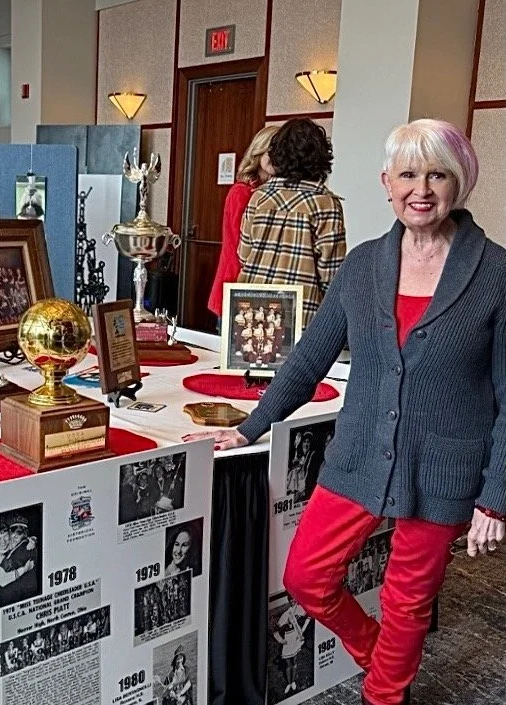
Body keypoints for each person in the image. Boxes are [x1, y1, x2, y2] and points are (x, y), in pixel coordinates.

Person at [185, 119, 506, 705]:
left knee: (408, 599)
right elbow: (309, 358)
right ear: (387, 183)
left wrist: (495, 496)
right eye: (408, 175)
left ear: (460, 183)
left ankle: (383, 695)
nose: (421, 190)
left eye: (437, 175)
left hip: (444, 464)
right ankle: (379, 656)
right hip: (358, 455)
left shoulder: (496, 274)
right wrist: (251, 427)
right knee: (306, 577)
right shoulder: (362, 266)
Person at [238, 118, 346, 326]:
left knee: (252, 346)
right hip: (302, 312)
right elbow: (331, 274)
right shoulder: (326, 204)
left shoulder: (258, 198)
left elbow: (244, 254)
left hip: (252, 308)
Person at [208, 125, 278, 317]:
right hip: (236, 280)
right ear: (258, 151)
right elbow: (241, 246)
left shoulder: (268, 193)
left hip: (254, 286)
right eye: (270, 150)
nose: (276, 157)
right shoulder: (242, 192)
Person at [274, 597, 312, 696]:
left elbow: (309, 616)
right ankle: (289, 683)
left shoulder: (300, 609)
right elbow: (275, 630)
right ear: (288, 600)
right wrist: (281, 640)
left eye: (294, 599)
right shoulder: (286, 614)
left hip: (296, 637)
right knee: (288, 663)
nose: (292, 601)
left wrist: (302, 630)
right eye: (290, 599)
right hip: (288, 638)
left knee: (294, 661)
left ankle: (293, 681)